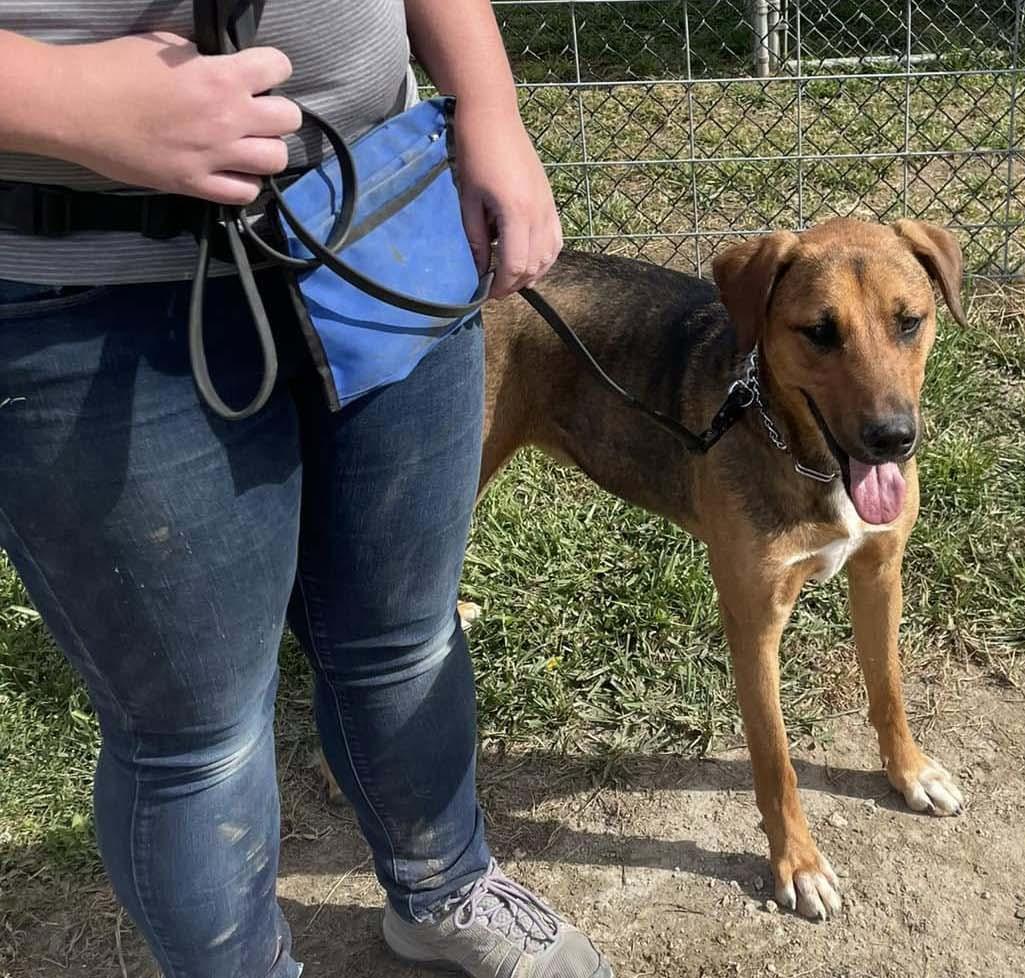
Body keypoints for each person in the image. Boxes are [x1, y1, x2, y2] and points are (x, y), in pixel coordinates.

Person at [0, 3, 612, 977]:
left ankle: (443, 886)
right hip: (79, 273)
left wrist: (490, 103)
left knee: (406, 632)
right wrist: (59, 97)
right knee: (194, 736)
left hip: (378, 205)